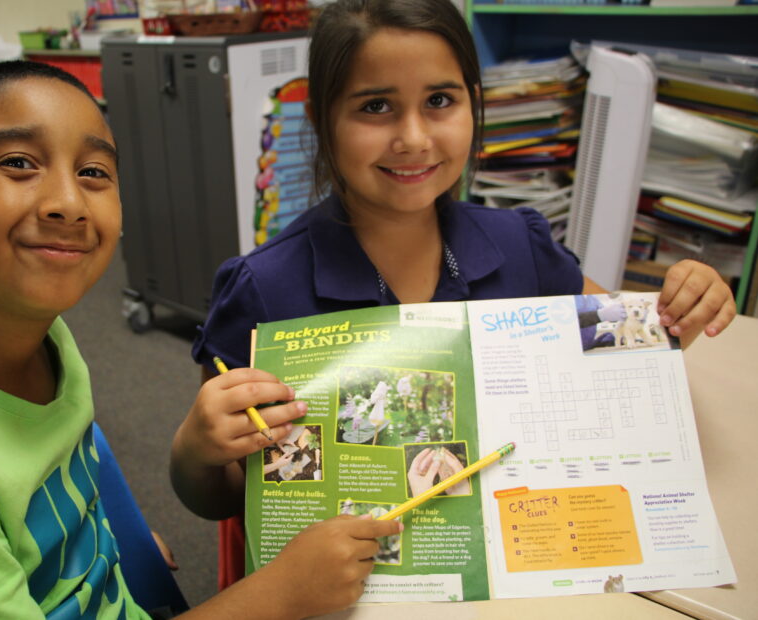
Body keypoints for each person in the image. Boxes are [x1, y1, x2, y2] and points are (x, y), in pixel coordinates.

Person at [174, 0, 737, 589]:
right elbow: (217, 501)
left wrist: (682, 308)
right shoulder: (262, 289)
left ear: (473, 101)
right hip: (349, 592)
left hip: (530, 567)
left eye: (440, 101)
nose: (414, 138)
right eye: (375, 106)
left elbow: (621, 346)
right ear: (320, 119)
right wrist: (194, 448)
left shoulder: (522, 247)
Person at [0, 61, 400, 619]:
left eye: (94, 173)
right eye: (19, 162)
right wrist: (280, 595)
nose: (69, 203)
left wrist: (94, 544)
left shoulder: (42, 334)